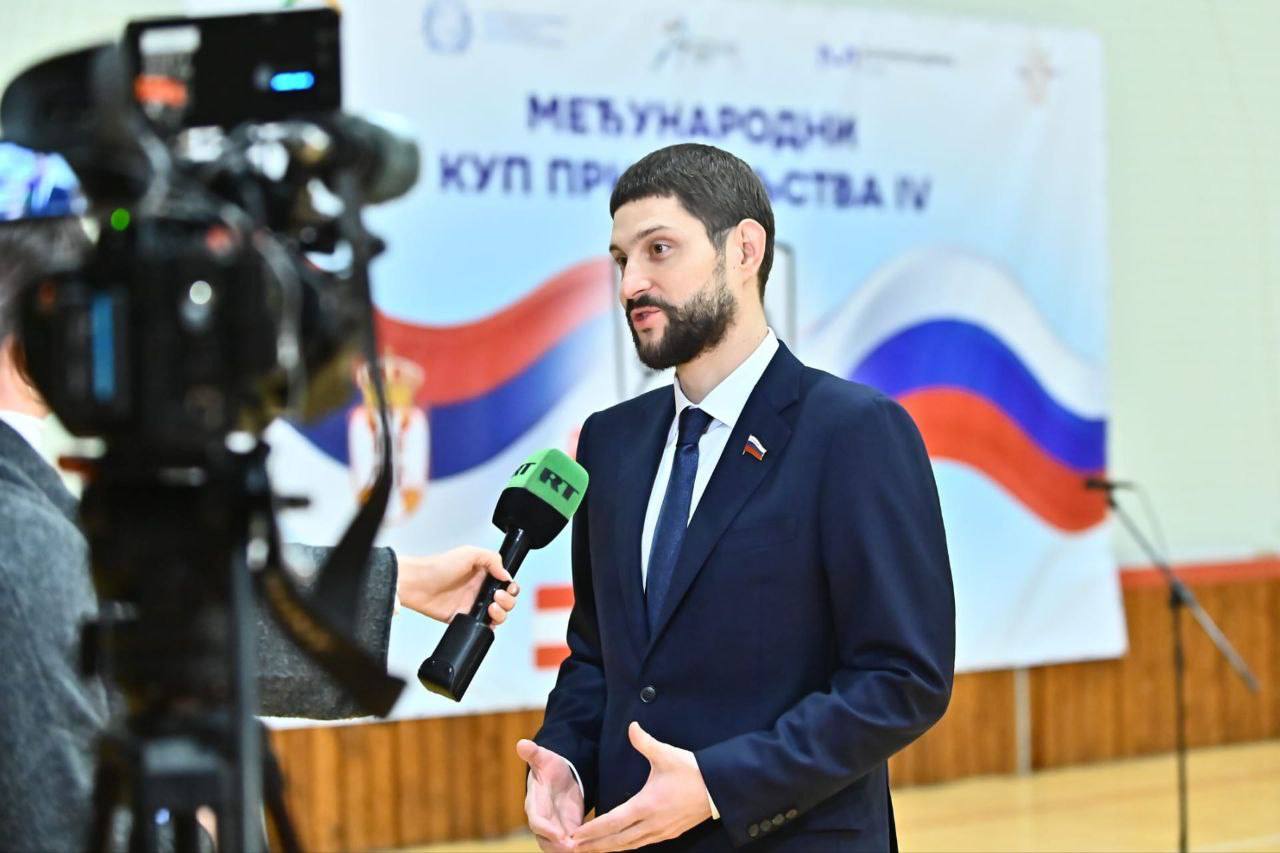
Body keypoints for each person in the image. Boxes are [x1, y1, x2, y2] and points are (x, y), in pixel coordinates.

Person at [0, 219, 519, 850]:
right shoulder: (20, 530)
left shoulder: (35, 497)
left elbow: (157, 610)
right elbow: (58, 817)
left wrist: (400, 581)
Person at [518, 144, 955, 852]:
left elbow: (902, 678)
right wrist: (567, 759)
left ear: (744, 250)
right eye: (621, 259)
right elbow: (599, 655)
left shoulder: (853, 431)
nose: (631, 283)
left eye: (659, 249)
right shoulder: (609, 441)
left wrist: (719, 784)